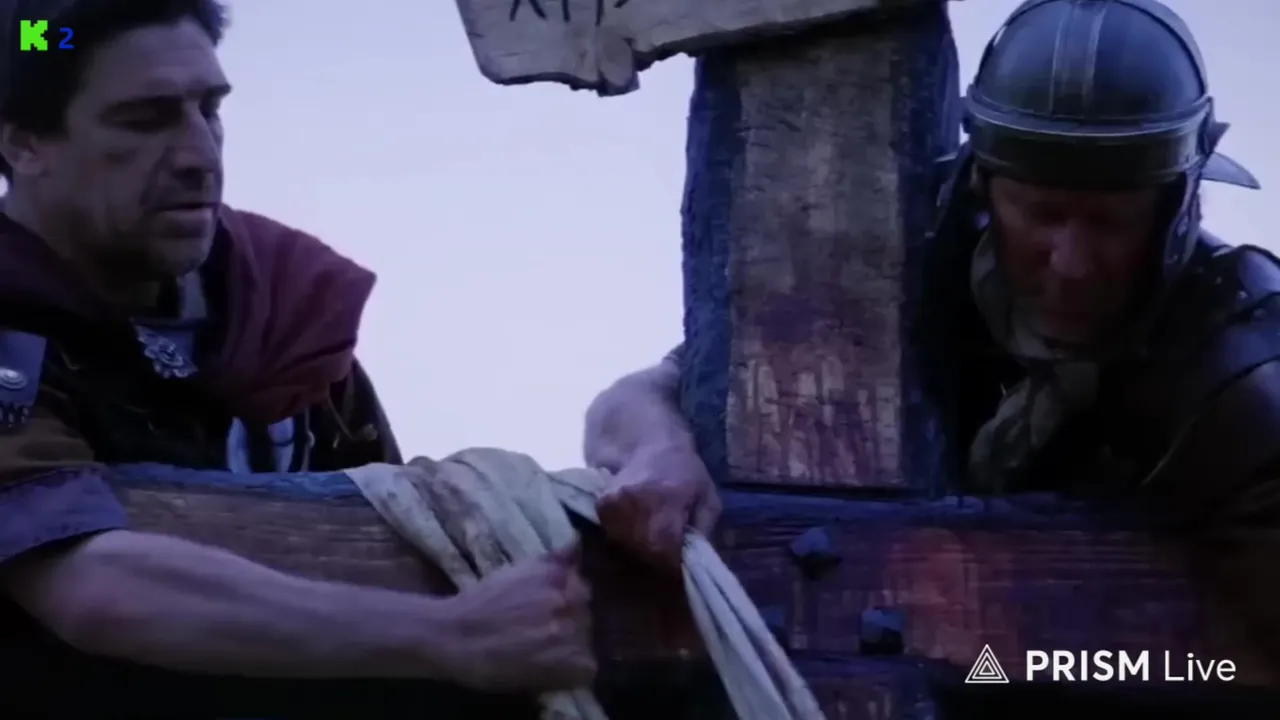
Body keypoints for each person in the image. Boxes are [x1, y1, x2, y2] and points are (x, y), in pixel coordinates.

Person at [0, 0, 685, 715]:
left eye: (211, 111)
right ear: (24, 144)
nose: (200, 156)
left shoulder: (281, 315)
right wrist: (447, 636)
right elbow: (81, 578)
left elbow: (391, 527)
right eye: (144, 121)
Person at [584, 0, 1280, 664]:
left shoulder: (1238, 366)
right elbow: (639, 397)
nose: (1070, 263)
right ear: (985, 184)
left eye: (1109, 222)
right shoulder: (906, 267)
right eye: (1040, 214)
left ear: (1174, 209)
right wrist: (658, 448)